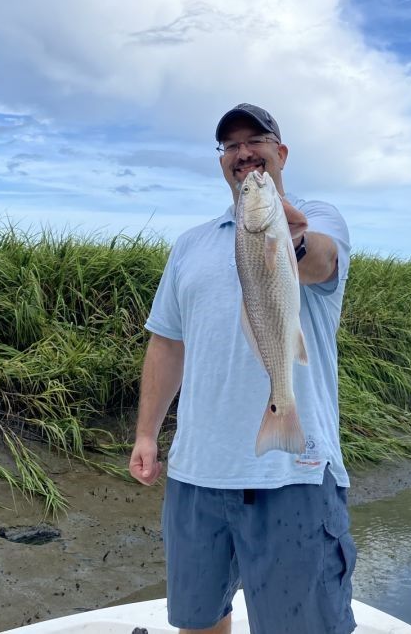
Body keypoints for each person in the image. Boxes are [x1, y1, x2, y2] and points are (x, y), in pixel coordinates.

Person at [129, 103, 355, 634]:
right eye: (231, 145)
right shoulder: (190, 245)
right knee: (199, 620)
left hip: (292, 473)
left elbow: (320, 261)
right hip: (196, 474)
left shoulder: (317, 220)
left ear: (281, 152)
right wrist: (146, 434)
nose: (244, 154)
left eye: (256, 139)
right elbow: (167, 344)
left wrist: (293, 238)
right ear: (222, 161)